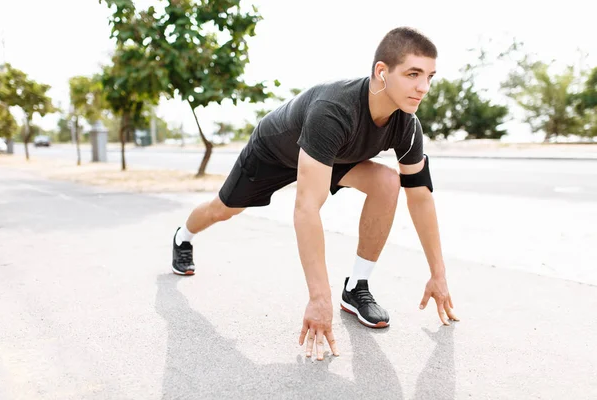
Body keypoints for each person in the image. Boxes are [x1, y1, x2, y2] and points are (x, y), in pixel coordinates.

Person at [171, 26, 459, 361]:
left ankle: (356, 288)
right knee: (222, 209)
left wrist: (438, 274)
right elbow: (307, 206)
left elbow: (420, 196)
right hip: (274, 152)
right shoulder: (333, 109)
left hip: (332, 156)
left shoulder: (407, 125)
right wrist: (318, 297)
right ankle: (184, 236)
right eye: (413, 74)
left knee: (388, 182)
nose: (423, 87)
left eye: (429, 76)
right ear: (382, 72)